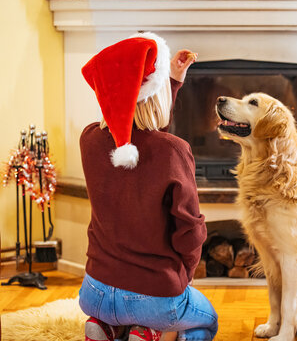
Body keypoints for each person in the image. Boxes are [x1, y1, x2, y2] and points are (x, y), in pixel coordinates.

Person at [78, 32, 218, 341]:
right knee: (207, 321)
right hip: (152, 295)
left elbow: (143, 139)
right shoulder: (173, 150)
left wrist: (172, 80)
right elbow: (190, 231)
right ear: (157, 94)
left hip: (94, 291)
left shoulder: (89, 139)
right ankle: (148, 328)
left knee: (125, 309)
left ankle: (107, 325)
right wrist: (183, 278)